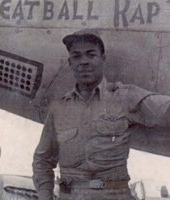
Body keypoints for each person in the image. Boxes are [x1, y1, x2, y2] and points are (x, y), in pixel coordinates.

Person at [32, 30, 170, 200]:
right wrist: (45, 196)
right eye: (77, 56)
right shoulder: (59, 109)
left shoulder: (125, 97)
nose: (84, 62)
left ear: (102, 59)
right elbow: (42, 161)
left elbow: (166, 110)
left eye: (91, 55)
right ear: (70, 62)